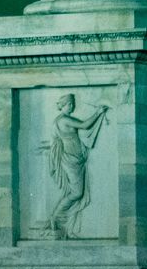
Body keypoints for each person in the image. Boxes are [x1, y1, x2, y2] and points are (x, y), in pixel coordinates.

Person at [44, 93, 110, 238]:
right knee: (77, 193)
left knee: (76, 192)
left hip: (76, 159)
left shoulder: (61, 119)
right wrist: (98, 112)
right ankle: (55, 217)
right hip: (70, 160)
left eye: (73, 104)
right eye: (69, 104)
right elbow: (85, 125)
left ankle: (62, 220)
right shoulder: (64, 120)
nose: (72, 106)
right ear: (63, 105)